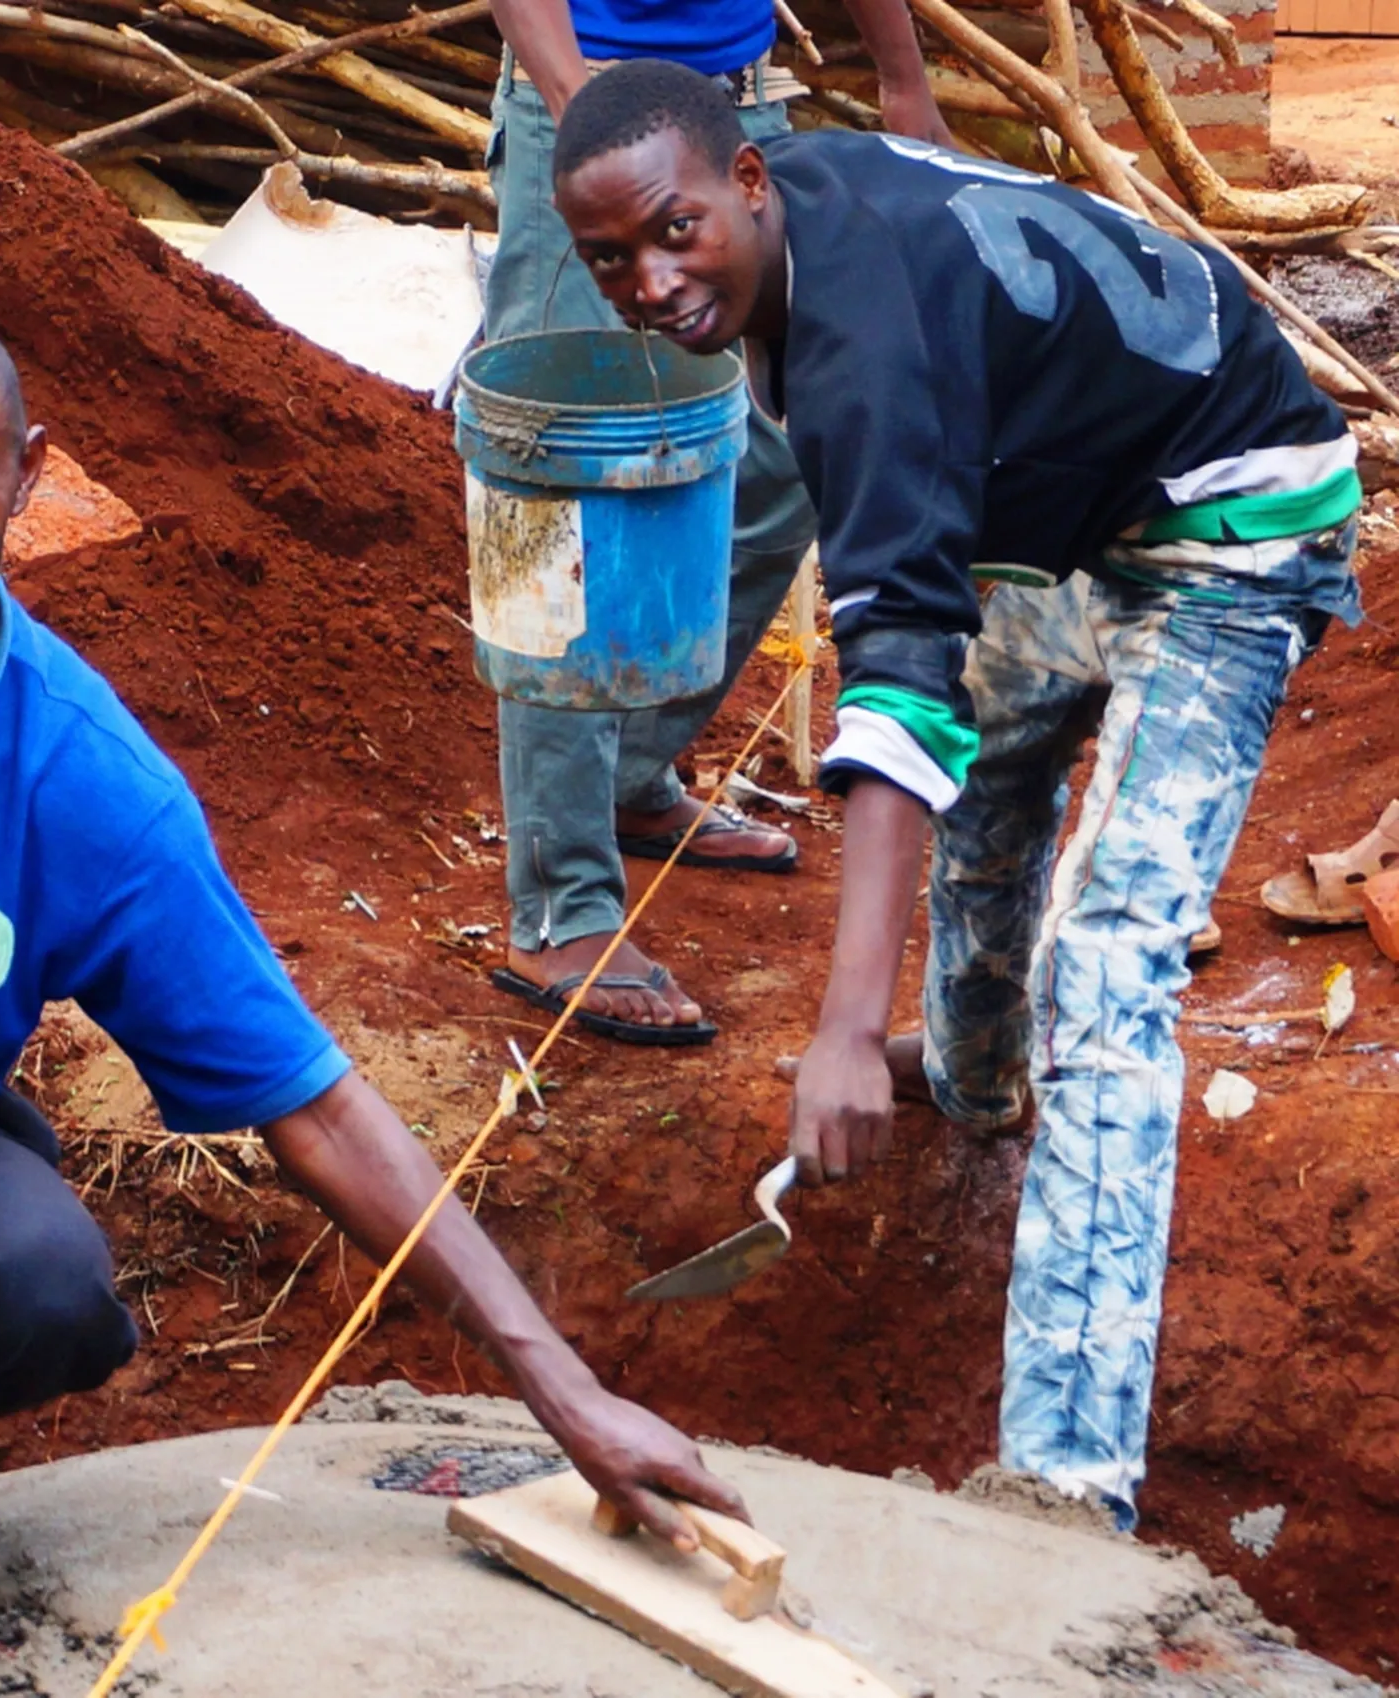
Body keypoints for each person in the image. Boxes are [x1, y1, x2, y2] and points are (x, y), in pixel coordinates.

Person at [549, 61, 1361, 1526]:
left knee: (1110, 968)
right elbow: (922, 636)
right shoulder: (796, 237)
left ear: (748, 183)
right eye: (611, 257)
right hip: (1085, 510)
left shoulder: (863, 343)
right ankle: (982, 1069)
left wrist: (844, 1025)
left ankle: (1066, 1487)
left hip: (1235, 515)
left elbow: (897, 671)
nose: (650, 281)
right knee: (990, 757)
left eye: (673, 233)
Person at [0, 306, 744, 1576]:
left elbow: (316, 1110)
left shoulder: (80, 783)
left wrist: (565, 1394)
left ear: (28, 477)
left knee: (36, 1278)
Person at [481, 0, 950, 1046]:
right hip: (584, 104)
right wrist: (578, 121)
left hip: (734, 117)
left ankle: (631, 771)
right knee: (557, 495)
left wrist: (903, 77)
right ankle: (562, 909)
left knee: (783, 453)